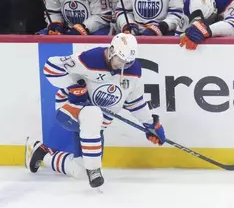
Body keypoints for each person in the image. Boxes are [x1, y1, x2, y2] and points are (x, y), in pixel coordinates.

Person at [26, 34, 166, 188]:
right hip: (70, 108)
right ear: (112, 50)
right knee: (93, 113)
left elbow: (135, 102)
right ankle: (94, 170)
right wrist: (75, 84)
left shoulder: (134, 71)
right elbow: (50, 67)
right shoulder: (90, 58)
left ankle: (41, 153)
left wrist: (150, 124)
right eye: (120, 60)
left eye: (128, 62)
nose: (122, 66)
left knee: (80, 171)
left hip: (95, 126)